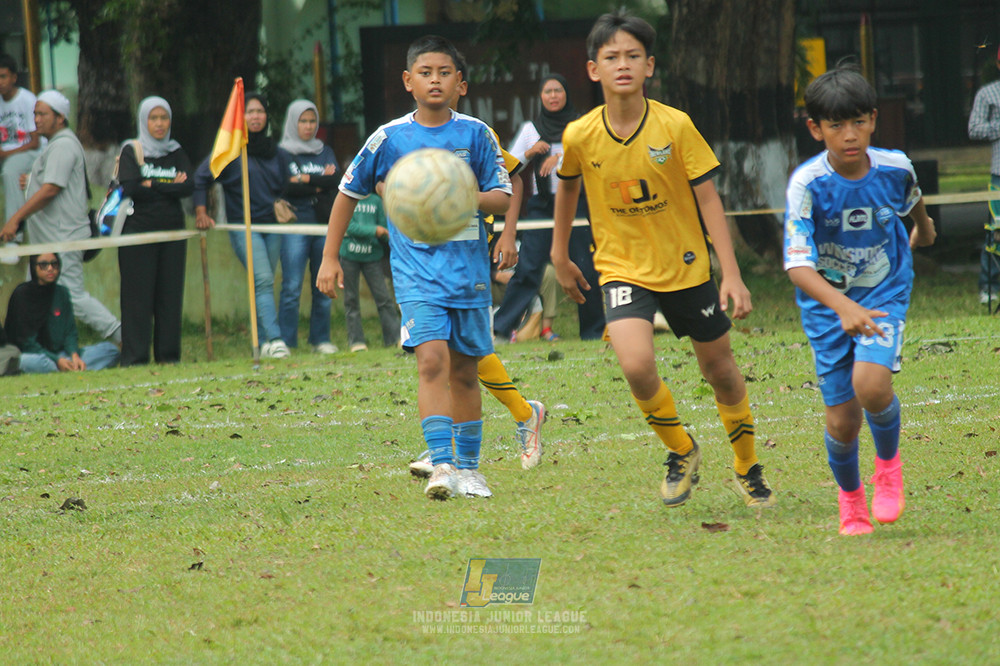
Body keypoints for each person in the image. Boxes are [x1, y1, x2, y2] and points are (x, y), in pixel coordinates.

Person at [551, 11, 775, 509]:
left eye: (633, 56)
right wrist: (559, 255)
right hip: (621, 268)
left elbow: (709, 198)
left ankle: (747, 465)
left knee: (720, 370)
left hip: (686, 267)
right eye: (612, 57)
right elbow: (567, 189)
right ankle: (681, 449)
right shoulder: (579, 135)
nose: (623, 65)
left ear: (649, 66)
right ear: (593, 69)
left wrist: (732, 273)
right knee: (635, 365)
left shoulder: (675, 125)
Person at [317, 34, 512, 500]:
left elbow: (502, 198)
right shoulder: (389, 138)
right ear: (408, 81)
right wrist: (329, 256)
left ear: (460, 82)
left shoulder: (477, 134)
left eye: (445, 73)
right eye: (425, 73)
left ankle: (470, 469)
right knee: (432, 361)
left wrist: (457, 193)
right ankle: (441, 464)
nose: (435, 81)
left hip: (468, 273)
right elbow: (347, 192)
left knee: (465, 371)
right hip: (417, 273)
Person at [784, 67, 936, 535]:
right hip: (826, 305)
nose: (849, 135)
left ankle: (888, 468)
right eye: (836, 125)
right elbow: (797, 266)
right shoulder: (807, 184)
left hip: (884, 289)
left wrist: (924, 227)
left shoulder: (895, 167)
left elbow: (911, 197)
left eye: (858, 122)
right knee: (844, 421)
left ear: (873, 120)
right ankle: (851, 501)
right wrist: (842, 307)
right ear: (816, 129)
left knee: (871, 386)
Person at [0, 90, 122, 344]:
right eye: (35, 114)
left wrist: (15, 218)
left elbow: (51, 189)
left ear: (60, 117)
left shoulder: (64, 145)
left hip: (64, 237)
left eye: (43, 114)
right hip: (47, 240)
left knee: (72, 297)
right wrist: (31, 182)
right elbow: (49, 183)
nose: (37, 119)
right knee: (35, 293)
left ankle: (122, 335)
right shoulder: (55, 145)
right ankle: (28, 348)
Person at [494, 73, 605, 343]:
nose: (553, 96)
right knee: (528, 268)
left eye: (558, 90)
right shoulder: (531, 129)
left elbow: (595, 158)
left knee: (585, 266)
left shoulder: (580, 126)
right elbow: (509, 166)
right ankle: (501, 330)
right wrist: (530, 153)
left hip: (577, 205)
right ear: (540, 97)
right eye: (547, 91)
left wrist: (560, 157)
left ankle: (593, 332)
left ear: (566, 94)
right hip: (542, 208)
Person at [193, 92, 287, 358]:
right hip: (243, 227)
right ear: (240, 117)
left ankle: (264, 343)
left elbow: (286, 186)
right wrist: (201, 212)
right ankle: (275, 339)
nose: (255, 117)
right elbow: (201, 177)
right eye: (249, 112)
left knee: (263, 282)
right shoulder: (231, 151)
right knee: (263, 279)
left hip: (273, 227)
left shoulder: (276, 153)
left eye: (260, 111)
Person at [117, 96, 193, 366]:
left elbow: (188, 186)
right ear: (143, 120)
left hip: (173, 233)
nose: (159, 124)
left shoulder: (176, 151)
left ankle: (168, 357)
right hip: (138, 233)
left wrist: (152, 184)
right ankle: (135, 358)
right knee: (137, 299)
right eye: (153, 118)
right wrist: (169, 185)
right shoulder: (131, 149)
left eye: (164, 118)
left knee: (169, 298)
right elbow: (131, 187)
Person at [276, 99, 341, 354]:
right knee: (292, 285)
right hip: (295, 223)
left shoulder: (324, 150)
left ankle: (320, 339)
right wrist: (319, 182)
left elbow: (336, 179)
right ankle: (286, 342)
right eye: (303, 121)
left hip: (323, 223)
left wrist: (305, 179)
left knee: (323, 283)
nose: (308, 126)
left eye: (312, 121)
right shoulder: (283, 152)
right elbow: (287, 186)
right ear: (293, 122)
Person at [5, 253, 119, 373]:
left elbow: (70, 332)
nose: (50, 268)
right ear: (34, 267)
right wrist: (57, 360)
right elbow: (26, 342)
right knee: (25, 361)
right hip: (35, 356)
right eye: (44, 265)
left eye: (54, 264)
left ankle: (69, 366)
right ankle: (64, 367)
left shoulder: (61, 293)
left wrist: (74, 355)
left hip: (62, 354)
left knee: (110, 350)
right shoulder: (22, 294)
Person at [339, 193, 400, 352]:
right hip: (349, 256)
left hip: (373, 257)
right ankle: (356, 342)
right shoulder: (348, 199)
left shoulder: (376, 201)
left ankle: (394, 338)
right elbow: (348, 226)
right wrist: (374, 230)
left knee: (384, 298)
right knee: (351, 300)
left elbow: (384, 228)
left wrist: (391, 236)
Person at [967, 45, 1000, 307]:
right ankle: (989, 286)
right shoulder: (988, 94)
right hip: (999, 174)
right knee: (996, 231)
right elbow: (974, 128)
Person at [0, 54, 41, 263]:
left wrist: (5, 154)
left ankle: (13, 239)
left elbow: (35, 142)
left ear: (14, 77)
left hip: (30, 152)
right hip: (7, 154)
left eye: (3, 76)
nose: (0, 82)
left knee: (10, 171)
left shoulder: (27, 99)